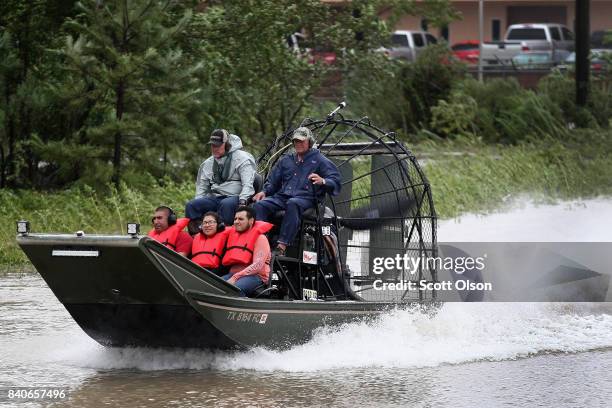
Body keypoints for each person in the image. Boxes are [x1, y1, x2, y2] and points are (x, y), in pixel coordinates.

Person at [252, 127, 341, 256]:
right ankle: (261, 242)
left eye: (301, 141)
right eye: (296, 141)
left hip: (307, 199)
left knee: (293, 203)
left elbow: (335, 181)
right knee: (260, 205)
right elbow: (273, 182)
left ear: (309, 142)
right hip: (283, 197)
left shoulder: (320, 160)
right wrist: (264, 192)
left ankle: (282, 246)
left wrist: (323, 181)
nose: (298, 144)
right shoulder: (287, 160)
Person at [185, 129, 257, 230]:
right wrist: (199, 200)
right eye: (212, 145)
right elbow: (201, 188)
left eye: (218, 145)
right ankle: (197, 236)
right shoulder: (208, 163)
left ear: (227, 145)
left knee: (226, 204)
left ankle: (222, 235)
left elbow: (248, 184)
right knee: (191, 205)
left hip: (236, 197)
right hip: (216, 197)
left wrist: (242, 202)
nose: (214, 148)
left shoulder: (243, 159)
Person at [221, 206, 273, 297]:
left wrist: (235, 277)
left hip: (256, 276)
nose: (236, 222)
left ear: (251, 221)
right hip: (233, 274)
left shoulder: (260, 238)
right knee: (212, 287)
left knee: (234, 290)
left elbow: (257, 265)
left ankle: (244, 310)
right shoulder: (232, 236)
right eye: (235, 219)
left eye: (241, 219)